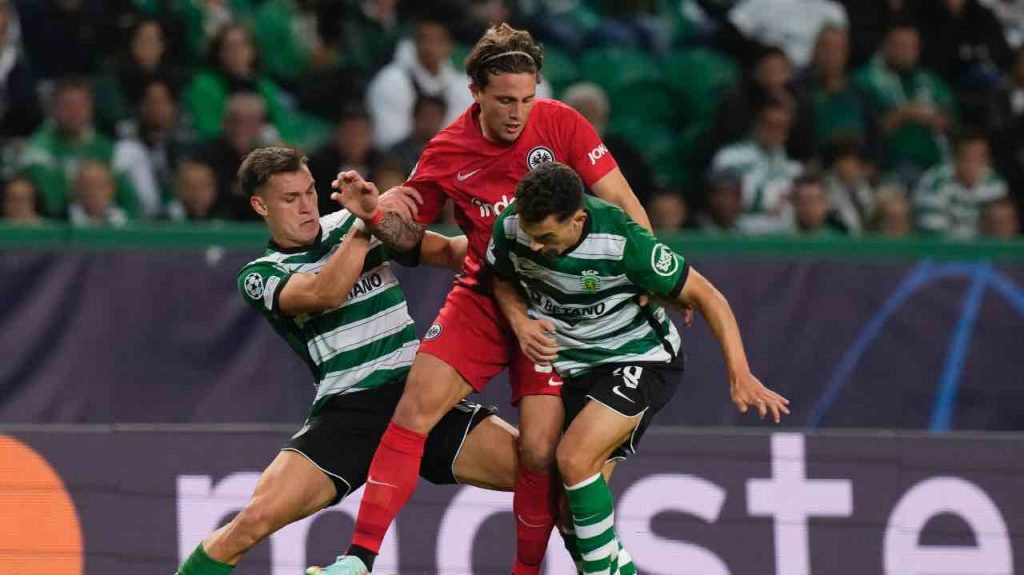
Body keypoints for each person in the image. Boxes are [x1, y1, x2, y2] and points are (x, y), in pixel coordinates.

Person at [316, 23, 655, 575]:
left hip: (554, 307)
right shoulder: (448, 149)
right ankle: (358, 560)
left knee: (541, 454)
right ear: (474, 91)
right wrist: (376, 214)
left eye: (526, 98)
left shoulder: (562, 123)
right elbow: (405, 235)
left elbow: (625, 202)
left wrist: (648, 277)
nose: (517, 113)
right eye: (504, 101)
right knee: (414, 407)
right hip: (484, 294)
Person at [174, 146, 522, 575]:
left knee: (542, 474)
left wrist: (513, 244)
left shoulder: (352, 220)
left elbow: (451, 252)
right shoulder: (261, 273)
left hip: (420, 397)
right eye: (289, 199)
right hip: (348, 412)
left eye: (309, 192)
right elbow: (324, 293)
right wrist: (365, 226)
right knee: (251, 523)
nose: (306, 207)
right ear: (260, 205)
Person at [486, 161, 790, 574]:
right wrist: (520, 321)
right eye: (530, 235)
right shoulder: (512, 227)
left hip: (640, 357)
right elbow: (501, 278)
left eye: (546, 237)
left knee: (574, 459)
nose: (535, 247)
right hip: (573, 365)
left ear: (578, 219)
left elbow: (708, 297)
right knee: (569, 514)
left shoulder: (624, 241)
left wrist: (740, 374)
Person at [913, 130, 1008, 238]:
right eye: (969, 158)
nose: (974, 165)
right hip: (942, 249)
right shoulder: (935, 182)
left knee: (1001, 215)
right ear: (955, 159)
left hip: (982, 248)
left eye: (980, 158)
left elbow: (1001, 228)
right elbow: (932, 232)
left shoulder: (994, 183)